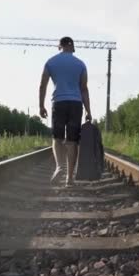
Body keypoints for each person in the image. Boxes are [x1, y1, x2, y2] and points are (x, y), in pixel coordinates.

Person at [39, 36, 92, 187]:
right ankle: (69, 179)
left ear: (59, 46)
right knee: (72, 141)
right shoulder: (81, 64)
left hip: (59, 102)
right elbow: (84, 90)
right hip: (76, 104)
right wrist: (88, 111)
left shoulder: (51, 62)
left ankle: (59, 166)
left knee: (57, 138)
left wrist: (41, 105)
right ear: (73, 48)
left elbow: (42, 85)